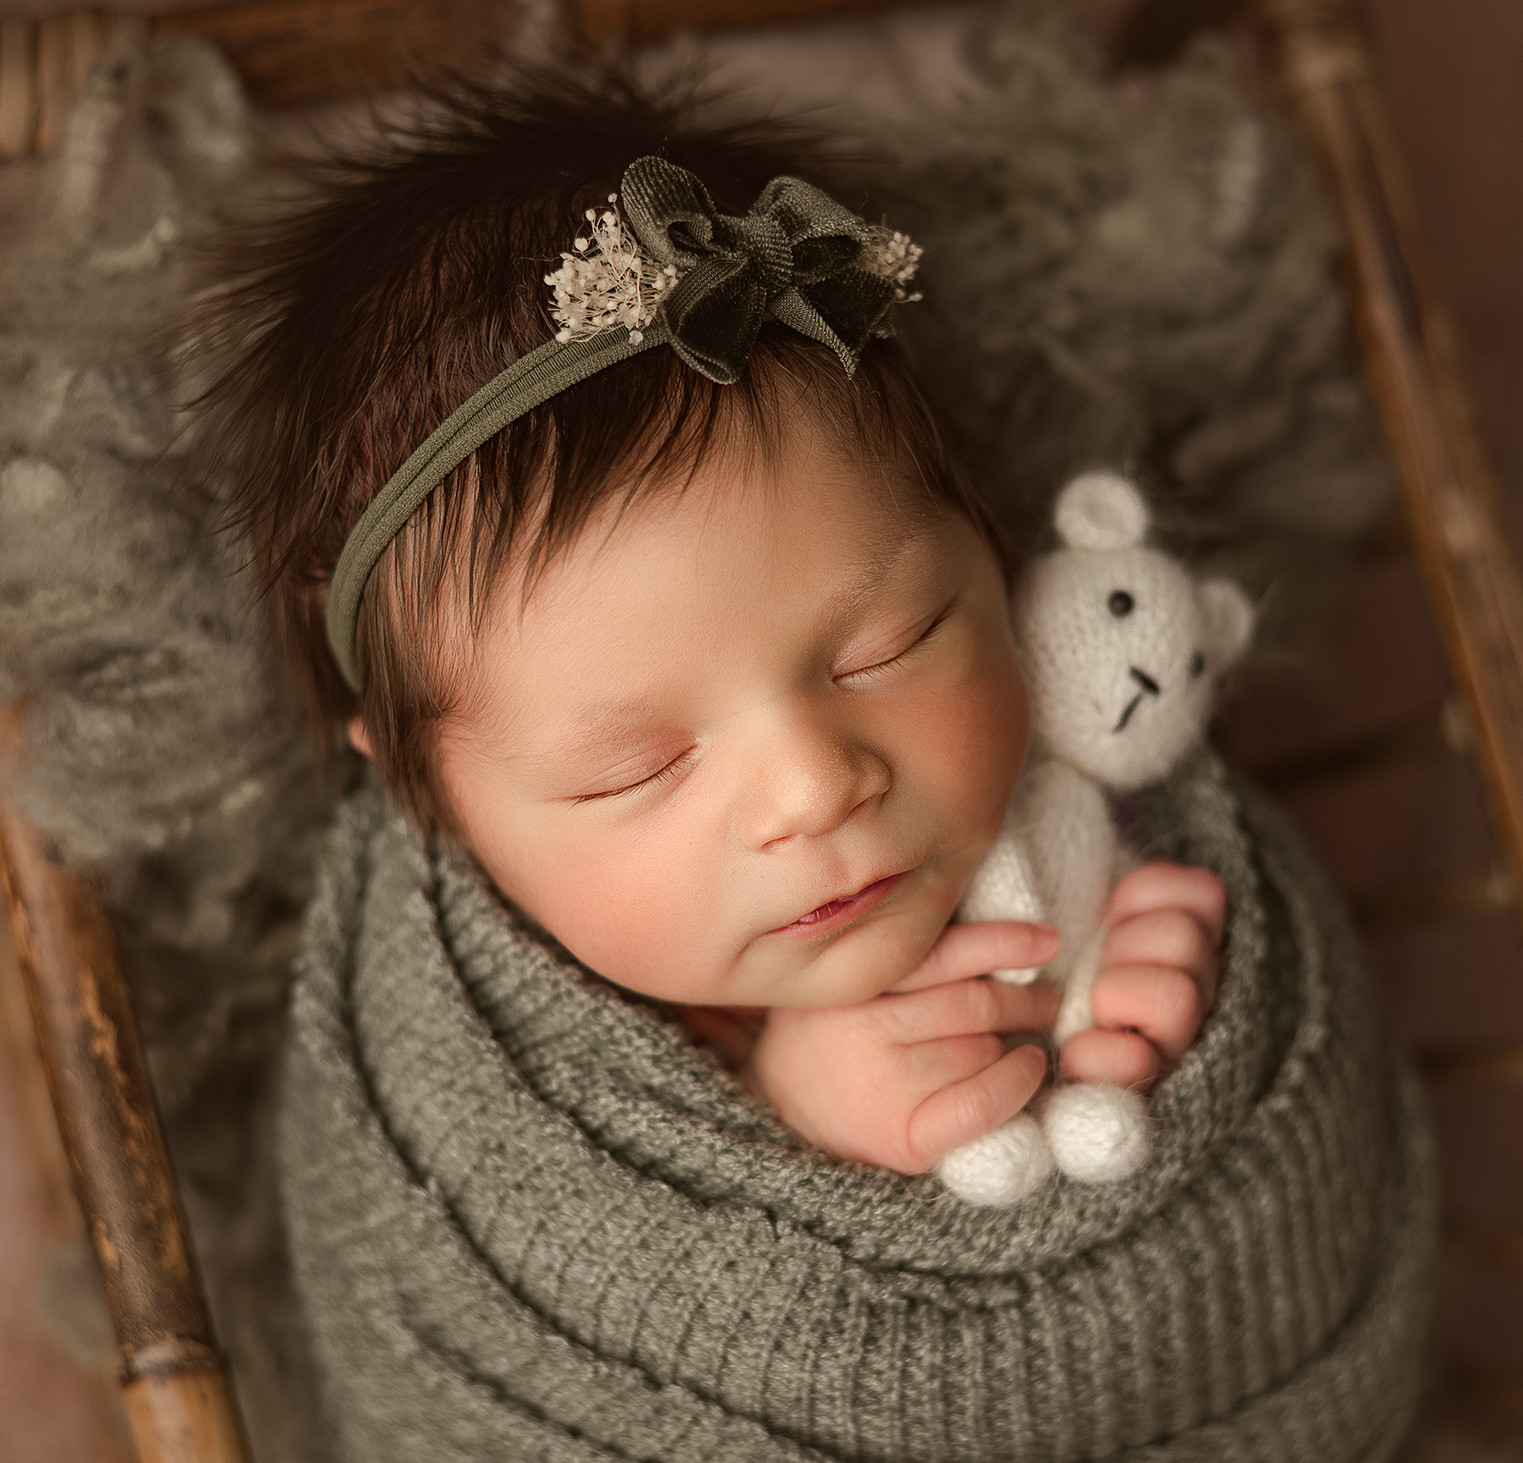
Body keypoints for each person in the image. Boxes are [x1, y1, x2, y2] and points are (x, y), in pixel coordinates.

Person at [198, 66, 1224, 1178]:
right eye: (635, 769)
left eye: (895, 641)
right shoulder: (472, 1068)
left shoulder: (1094, 783)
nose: (814, 788)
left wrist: (1165, 1003)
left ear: (994, 548)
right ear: (436, 803)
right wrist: (791, 1124)